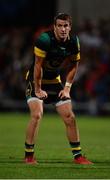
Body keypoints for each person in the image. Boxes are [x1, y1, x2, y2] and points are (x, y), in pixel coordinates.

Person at [24, 13, 93, 165]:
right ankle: (29, 156)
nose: (63, 29)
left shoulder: (74, 42)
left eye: (66, 26)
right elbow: (37, 66)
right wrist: (38, 89)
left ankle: (78, 156)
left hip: (55, 81)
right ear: (54, 27)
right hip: (36, 80)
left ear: (70, 27)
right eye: (60, 26)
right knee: (37, 115)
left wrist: (67, 88)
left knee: (70, 116)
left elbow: (74, 66)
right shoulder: (44, 40)